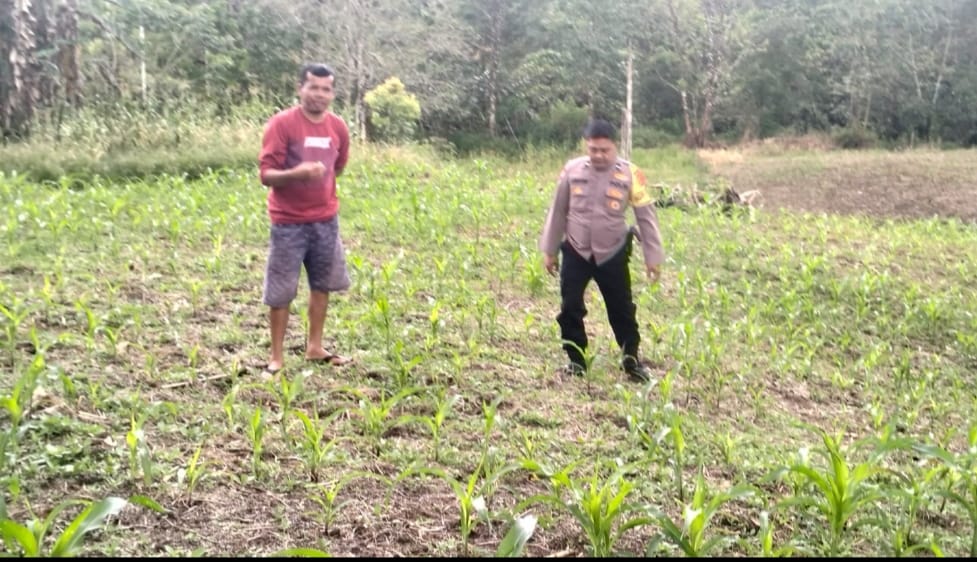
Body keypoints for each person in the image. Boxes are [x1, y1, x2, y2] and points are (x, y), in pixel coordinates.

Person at [539, 118, 665, 382]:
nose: (598, 155)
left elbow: (646, 217)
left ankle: (631, 361)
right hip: (575, 249)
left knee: (622, 310)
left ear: (614, 146)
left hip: (613, 252)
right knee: (570, 307)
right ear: (587, 147)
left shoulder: (632, 174)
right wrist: (549, 250)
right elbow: (558, 210)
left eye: (604, 150)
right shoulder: (571, 170)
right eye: (593, 149)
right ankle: (576, 361)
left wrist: (652, 257)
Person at [258, 63, 353, 374]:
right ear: (300, 88)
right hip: (288, 222)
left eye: (326, 89)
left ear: (332, 93)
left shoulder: (338, 127)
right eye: (313, 87)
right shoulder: (282, 124)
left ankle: (314, 346)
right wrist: (297, 174)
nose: (319, 95)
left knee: (321, 284)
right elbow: (266, 175)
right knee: (282, 289)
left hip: (326, 219)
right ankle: (276, 356)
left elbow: (338, 167)